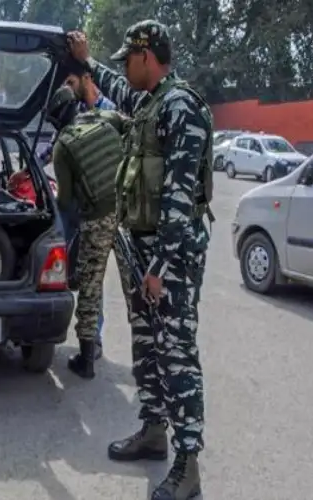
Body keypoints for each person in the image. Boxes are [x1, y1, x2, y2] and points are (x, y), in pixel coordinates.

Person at [68, 20, 213, 500]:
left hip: (168, 255)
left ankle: (188, 464)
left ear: (147, 57)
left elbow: (177, 198)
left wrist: (160, 269)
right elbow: (110, 88)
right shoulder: (148, 103)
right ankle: (153, 432)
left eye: (127, 59)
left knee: (176, 355)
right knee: (148, 348)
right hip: (144, 249)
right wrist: (86, 60)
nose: (122, 70)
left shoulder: (181, 107)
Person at [46, 77, 129, 379]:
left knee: (90, 287)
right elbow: (130, 127)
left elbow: (66, 201)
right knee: (138, 280)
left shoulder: (63, 145)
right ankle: (154, 350)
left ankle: (86, 359)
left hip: (97, 218)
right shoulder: (103, 116)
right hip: (129, 209)